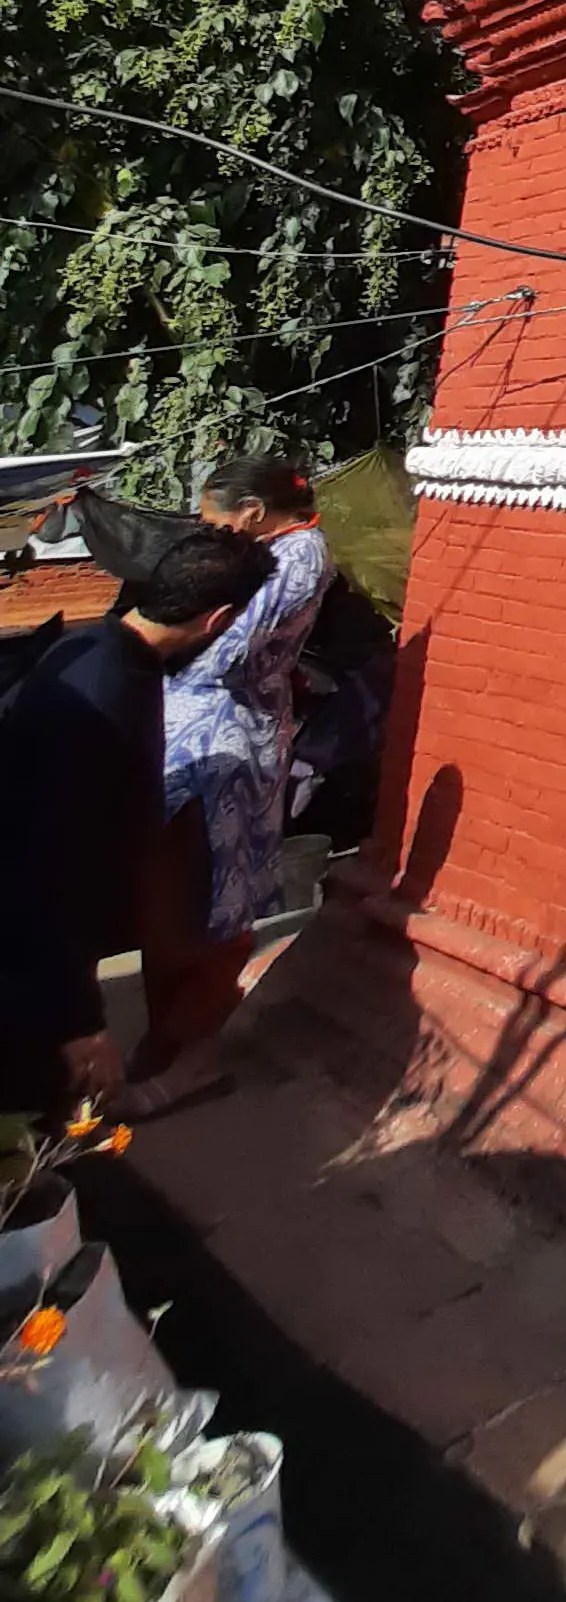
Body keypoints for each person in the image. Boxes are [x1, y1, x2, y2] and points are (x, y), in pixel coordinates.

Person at [0, 526, 273, 1121]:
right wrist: (79, 1021)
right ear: (220, 619)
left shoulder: (97, 649)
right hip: (29, 973)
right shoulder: (106, 698)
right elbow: (44, 871)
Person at [126, 451, 332, 1115]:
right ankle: (165, 1043)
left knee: (212, 905)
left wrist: (163, 638)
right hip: (189, 737)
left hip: (225, 744)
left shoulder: (300, 556)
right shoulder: (269, 554)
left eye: (216, 521)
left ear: (251, 512)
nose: (209, 533)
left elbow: (229, 651)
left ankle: (189, 1058)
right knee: (167, 901)